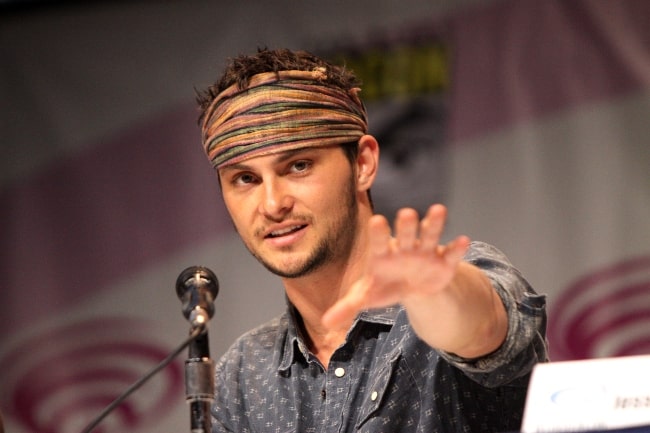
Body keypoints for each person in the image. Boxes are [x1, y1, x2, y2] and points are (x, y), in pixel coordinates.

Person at [196, 48, 548, 432]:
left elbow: (479, 328)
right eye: (245, 179)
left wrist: (436, 294)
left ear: (363, 163)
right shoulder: (242, 375)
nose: (272, 203)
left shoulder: (453, 279)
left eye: (298, 165)